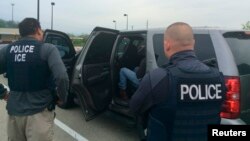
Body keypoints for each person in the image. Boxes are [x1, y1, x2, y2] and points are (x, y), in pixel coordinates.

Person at [129, 22, 226, 141]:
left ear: (167, 44)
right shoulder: (218, 77)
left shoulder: (158, 77)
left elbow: (135, 107)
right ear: (193, 43)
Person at [0, 17, 69, 141]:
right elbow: (62, 77)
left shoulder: (8, 50)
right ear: (37, 30)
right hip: (40, 112)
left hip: (14, 113)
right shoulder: (48, 49)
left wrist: (2, 93)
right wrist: (61, 98)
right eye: (41, 31)